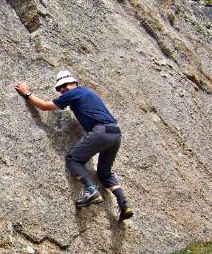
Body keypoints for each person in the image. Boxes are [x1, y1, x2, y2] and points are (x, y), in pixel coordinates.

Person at [13, 70, 134, 220]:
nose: (62, 89)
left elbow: (44, 106)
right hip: (115, 133)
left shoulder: (74, 93)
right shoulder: (87, 93)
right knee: (105, 173)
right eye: (59, 88)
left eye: (65, 85)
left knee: (73, 159)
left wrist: (27, 93)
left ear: (75, 83)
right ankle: (124, 205)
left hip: (102, 131)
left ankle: (91, 190)